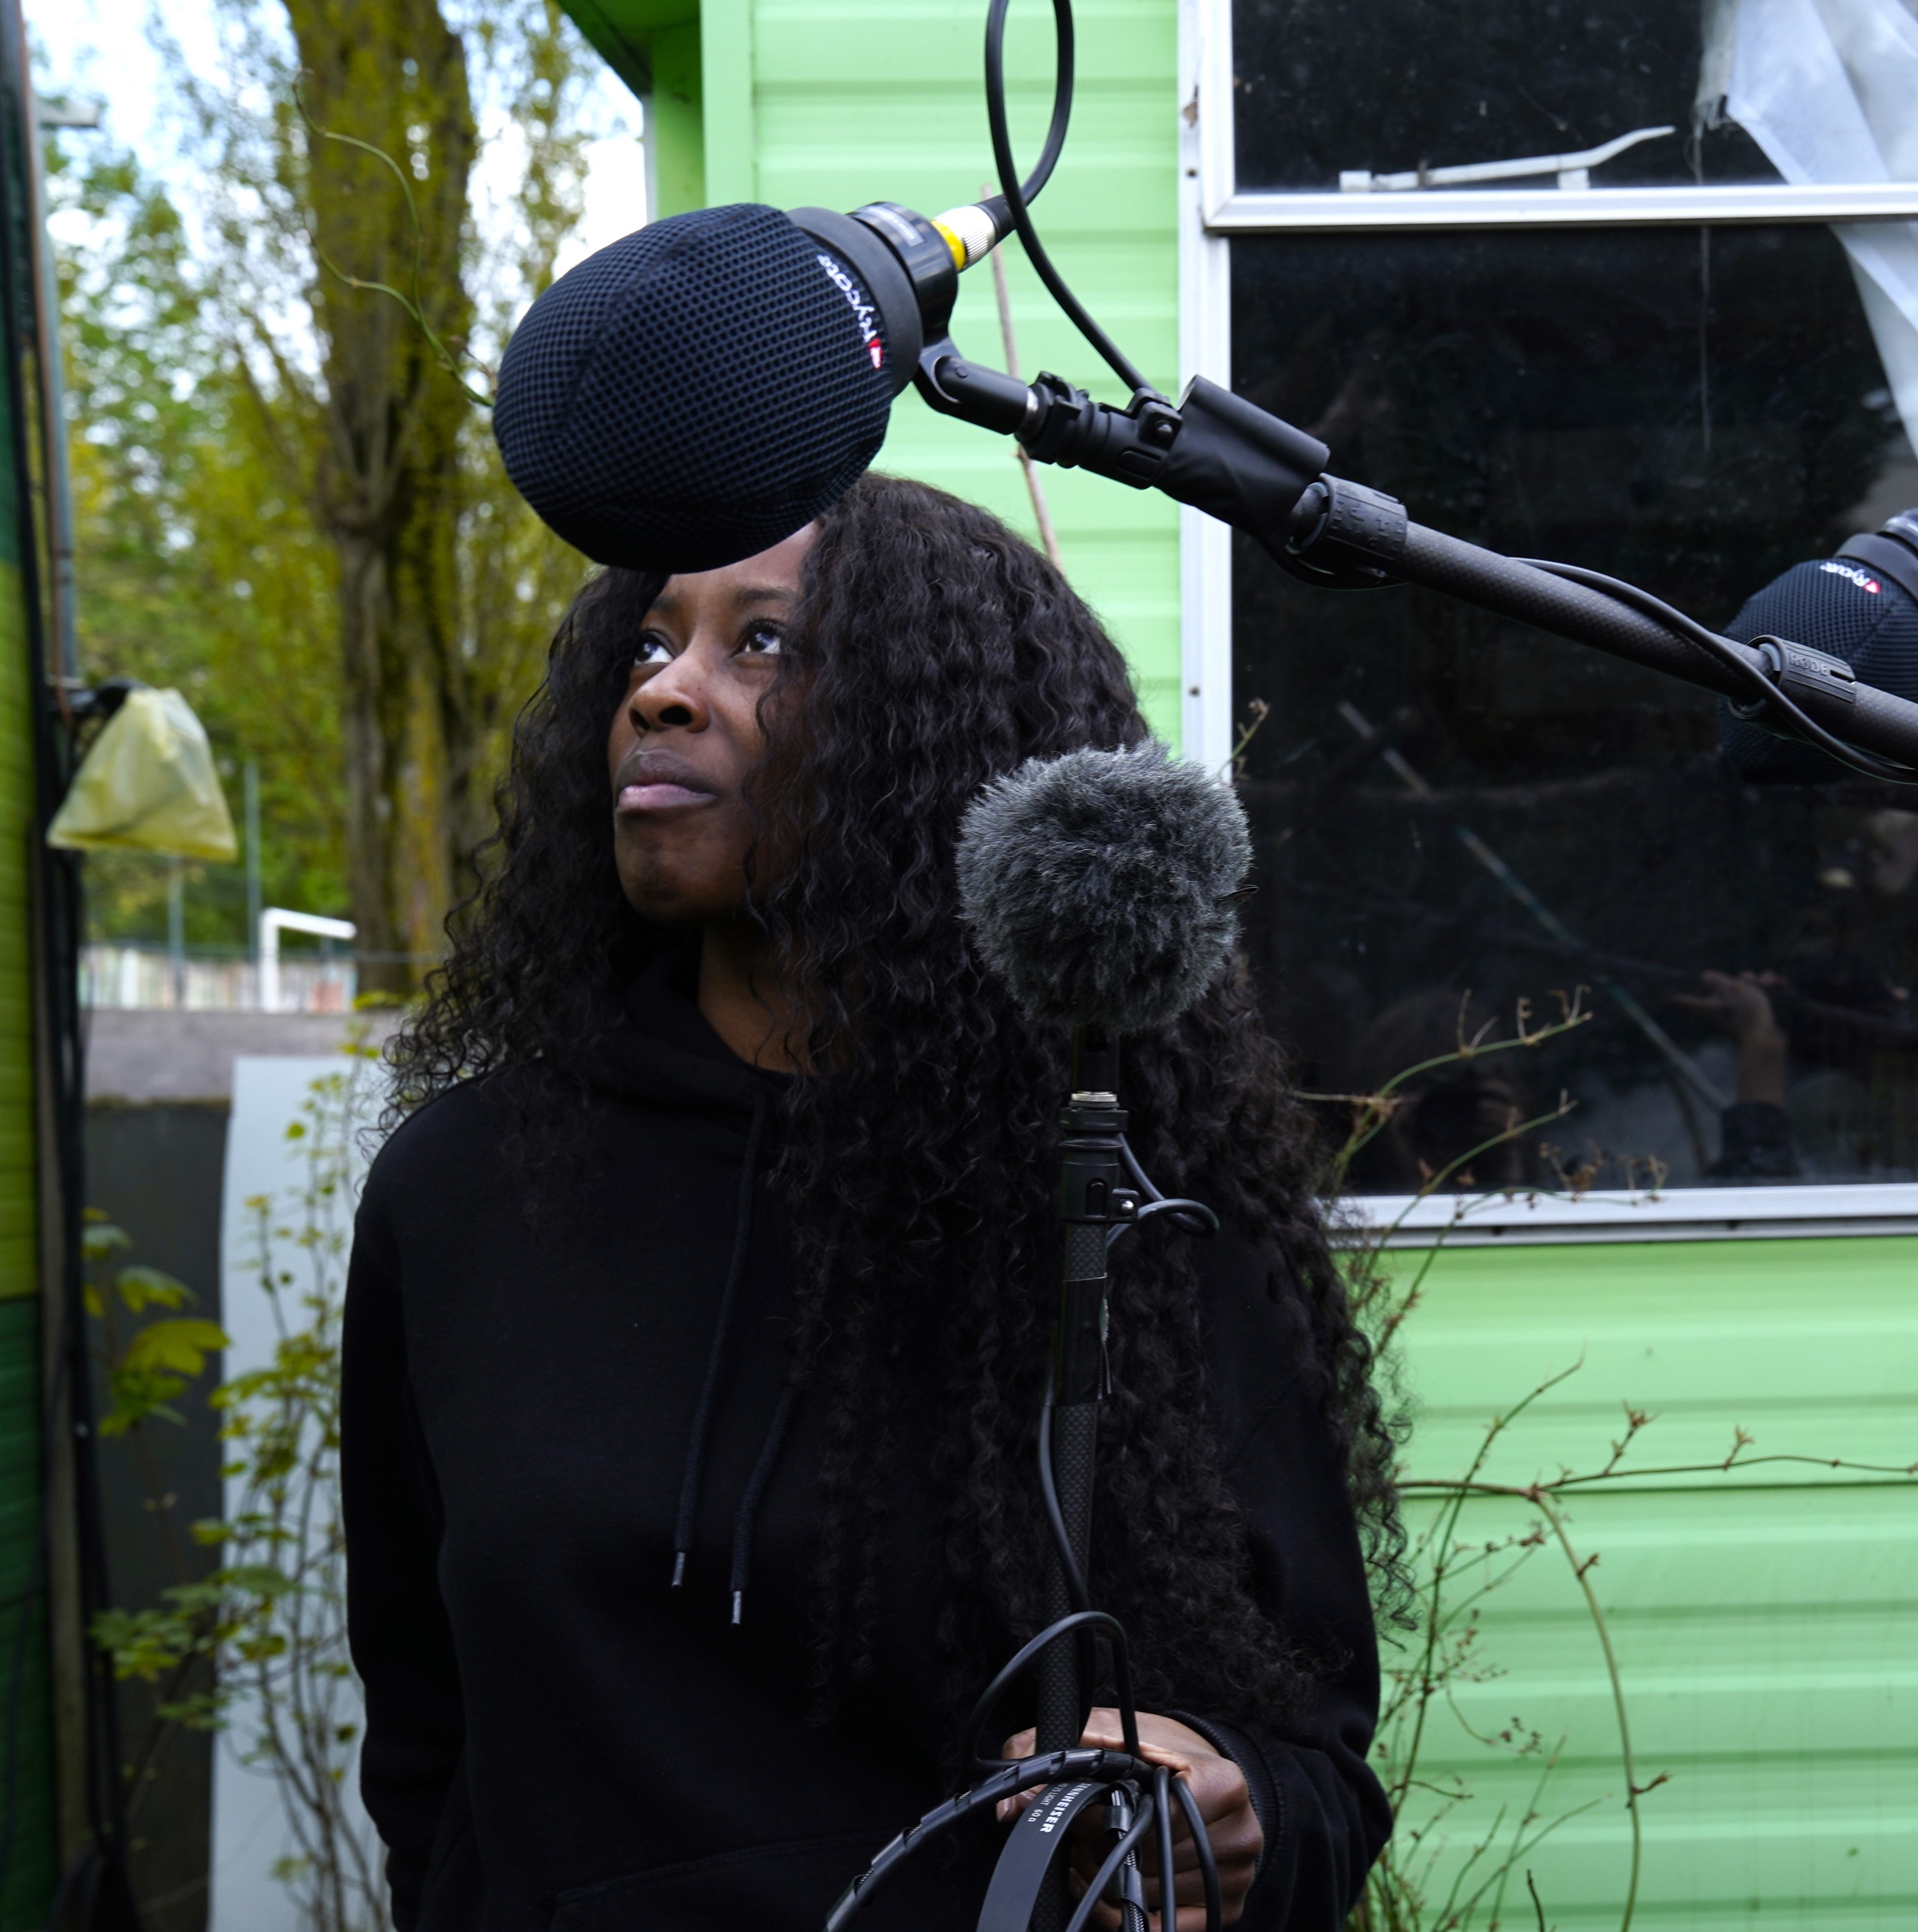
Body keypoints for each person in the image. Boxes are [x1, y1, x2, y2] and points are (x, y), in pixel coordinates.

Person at [347, 473, 1395, 1931]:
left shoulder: (1127, 1195)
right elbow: (424, 1730)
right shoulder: (461, 1184)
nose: (666, 694)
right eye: (646, 648)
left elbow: (1319, 1775)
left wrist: (1233, 1810)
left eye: (763, 643)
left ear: (933, 732)